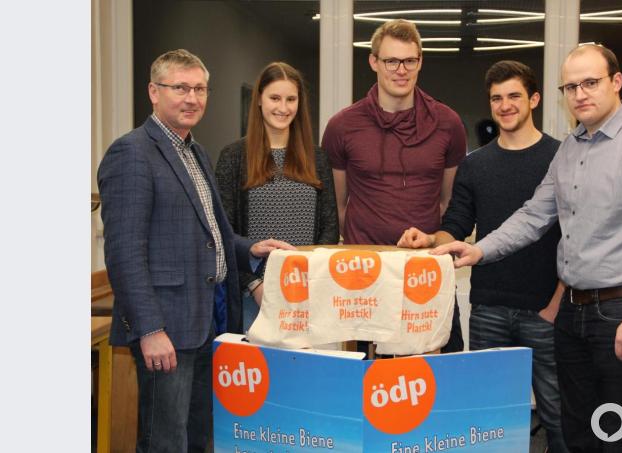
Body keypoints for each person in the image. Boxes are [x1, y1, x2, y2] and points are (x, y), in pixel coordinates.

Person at [432, 44, 622, 452]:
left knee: (621, 439)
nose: (580, 94)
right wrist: (479, 251)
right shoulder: (572, 147)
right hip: (573, 316)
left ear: (616, 82)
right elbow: (534, 214)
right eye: (571, 87)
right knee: (577, 436)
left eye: (590, 83)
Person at [98, 49, 293, 453]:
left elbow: (211, 234)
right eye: (180, 88)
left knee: (199, 438)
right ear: (154, 92)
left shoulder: (196, 152)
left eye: (200, 89)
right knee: (165, 442)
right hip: (166, 329)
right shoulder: (131, 153)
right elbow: (124, 253)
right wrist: (150, 330)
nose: (192, 98)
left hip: (207, 322)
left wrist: (250, 248)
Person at [398, 60, 568, 452]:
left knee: (558, 416)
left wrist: (557, 304)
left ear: (534, 99)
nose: (505, 105)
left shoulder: (560, 159)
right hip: (489, 308)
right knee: (489, 422)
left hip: (546, 311)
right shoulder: (475, 165)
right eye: (496, 98)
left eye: (514, 96)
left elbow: (574, 235)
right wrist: (430, 239)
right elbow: (456, 224)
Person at [321, 19, 467, 353]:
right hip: (363, 278)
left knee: (435, 375)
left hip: (425, 273)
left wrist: (429, 241)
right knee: (363, 376)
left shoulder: (448, 124)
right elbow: (339, 204)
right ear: (373, 62)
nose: (401, 70)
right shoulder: (342, 126)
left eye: (409, 61)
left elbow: (447, 202)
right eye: (391, 61)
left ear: (420, 62)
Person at [215, 62, 339, 332]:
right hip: (254, 297)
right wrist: (254, 285)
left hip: (308, 294)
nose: (283, 108)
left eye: (291, 99)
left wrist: (311, 280)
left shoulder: (317, 158)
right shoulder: (233, 157)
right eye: (275, 98)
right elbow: (223, 233)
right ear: (259, 99)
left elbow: (330, 228)